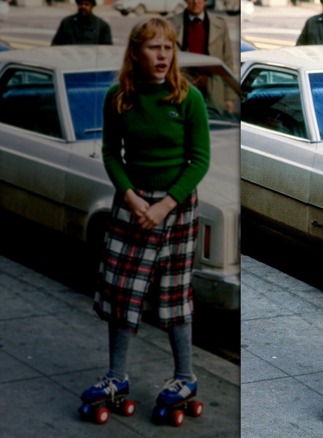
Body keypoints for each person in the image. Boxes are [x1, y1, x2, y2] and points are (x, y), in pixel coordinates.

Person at [79, 17, 210, 419]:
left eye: (167, 48)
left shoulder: (188, 98)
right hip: (132, 205)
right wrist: (134, 200)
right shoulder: (119, 96)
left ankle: (185, 376)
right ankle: (116, 375)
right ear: (135, 52)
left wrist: (164, 205)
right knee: (121, 290)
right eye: (153, 48)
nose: (162, 55)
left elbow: (199, 159)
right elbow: (109, 154)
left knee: (172, 295)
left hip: (175, 207)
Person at [168, 0, 234, 73]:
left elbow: (228, 61)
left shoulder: (220, 24)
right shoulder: (171, 24)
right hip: (183, 80)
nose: (195, 2)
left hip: (213, 81)